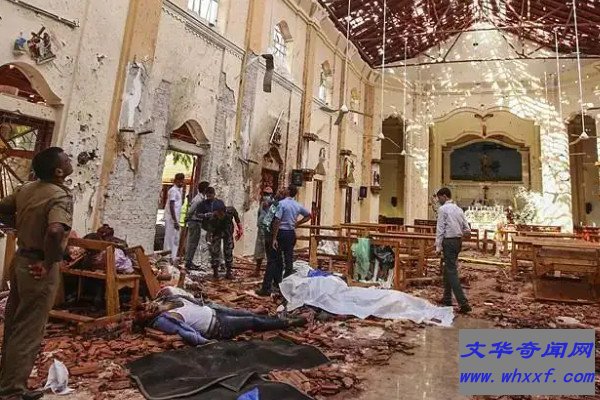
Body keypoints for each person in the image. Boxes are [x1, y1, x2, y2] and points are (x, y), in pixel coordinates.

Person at [0, 147, 74, 400]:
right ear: (58, 171)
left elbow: (3, 208)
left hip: (20, 260)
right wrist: (48, 262)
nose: (70, 161)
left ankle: (8, 381)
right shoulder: (59, 196)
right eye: (66, 159)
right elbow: (55, 231)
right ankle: (12, 391)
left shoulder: (26, 189)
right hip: (37, 267)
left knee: (14, 324)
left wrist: (19, 225)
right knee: (29, 329)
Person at [140, 289, 306, 345]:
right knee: (251, 321)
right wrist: (207, 343)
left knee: (248, 314)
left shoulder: (165, 299)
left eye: (146, 306)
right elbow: (183, 331)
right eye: (146, 312)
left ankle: (278, 319)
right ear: (148, 319)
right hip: (217, 326)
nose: (149, 308)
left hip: (213, 310)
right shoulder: (163, 320)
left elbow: (186, 296)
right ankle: (287, 323)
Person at [435, 187, 472, 314]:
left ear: (444, 196)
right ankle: (447, 298)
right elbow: (467, 229)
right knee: (448, 269)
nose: (438, 200)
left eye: (439, 198)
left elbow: (440, 229)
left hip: (448, 241)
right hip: (457, 242)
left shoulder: (443, 209)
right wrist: (458, 233)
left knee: (451, 271)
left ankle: (463, 303)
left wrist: (438, 246)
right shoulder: (458, 209)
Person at [198, 194, 243, 279]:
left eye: (220, 213)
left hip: (228, 230)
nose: (218, 215)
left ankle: (229, 272)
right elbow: (209, 232)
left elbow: (237, 219)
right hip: (217, 232)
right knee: (215, 250)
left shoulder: (230, 210)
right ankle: (215, 272)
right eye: (217, 213)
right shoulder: (212, 218)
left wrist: (240, 230)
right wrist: (209, 241)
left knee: (228, 250)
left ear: (224, 211)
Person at [272, 185, 311, 279]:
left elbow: (277, 220)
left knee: (278, 257)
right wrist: (297, 223)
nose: (284, 190)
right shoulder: (297, 205)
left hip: (281, 232)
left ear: (288, 191)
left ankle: (278, 280)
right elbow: (309, 215)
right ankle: (288, 279)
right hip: (291, 233)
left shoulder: (281, 204)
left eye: (286, 189)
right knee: (289, 257)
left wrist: (274, 238)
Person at [255, 190, 285, 296]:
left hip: (273, 236)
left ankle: (267, 287)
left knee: (272, 262)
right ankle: (278, 284)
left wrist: (270, 235)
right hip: (282, 235)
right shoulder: (285, 205)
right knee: (279, 261)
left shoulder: (275, 205)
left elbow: (266, 222)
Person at [184, 181, 210, 271]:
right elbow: (191, 210)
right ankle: (188, 262)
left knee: (194, 243)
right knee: (192, 243)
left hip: (197, 222)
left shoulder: (201, 198)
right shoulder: (198, 199)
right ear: (205, 189)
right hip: (194, 222)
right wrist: (187, 217)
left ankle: (189, 261)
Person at [163, 173, 185, 262]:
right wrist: (175, 221)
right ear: (176, 181)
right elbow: (171, 205)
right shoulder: (173, 191)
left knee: (175, 239)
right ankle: (167, 257)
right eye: (180, 181)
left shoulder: (179, 190)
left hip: (176, 218)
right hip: (171, 218)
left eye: (182, 181)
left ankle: (173, 257)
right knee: (169, 238)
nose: (181, 183)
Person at [254, 187, 274, 277]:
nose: (266, 196)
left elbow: (273, 218)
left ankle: (269, 272)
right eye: (265, 194)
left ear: (271, 195)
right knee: (259, 250)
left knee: (269, 252)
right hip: (261, 230)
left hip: (269, 231)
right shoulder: (262, 204)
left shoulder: (275, 205)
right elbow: (259, 215)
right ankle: (257, 270)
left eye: (268, 194)